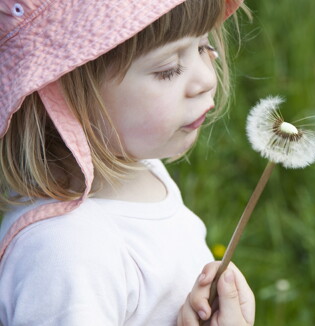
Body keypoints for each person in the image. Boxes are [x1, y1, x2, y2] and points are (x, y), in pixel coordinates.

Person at [0, 0, 255, 325]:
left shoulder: (135, 168)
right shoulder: (67, 255)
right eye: (168, 69)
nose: (206, 78)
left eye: (204, 47)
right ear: (68, 97)